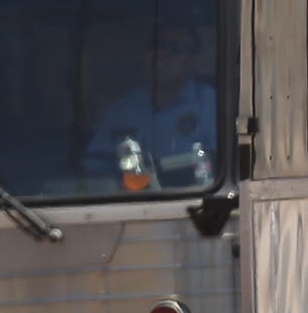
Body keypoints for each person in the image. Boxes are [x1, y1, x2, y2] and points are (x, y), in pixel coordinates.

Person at [92, 19, 220, 189]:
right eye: (155, 47)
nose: (159, 56)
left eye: (173, 49)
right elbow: (95, 167)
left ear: (194, 60)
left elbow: (220, 167)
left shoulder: (211, 104)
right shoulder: (124, 108)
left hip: (195, 198)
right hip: (132, 200)